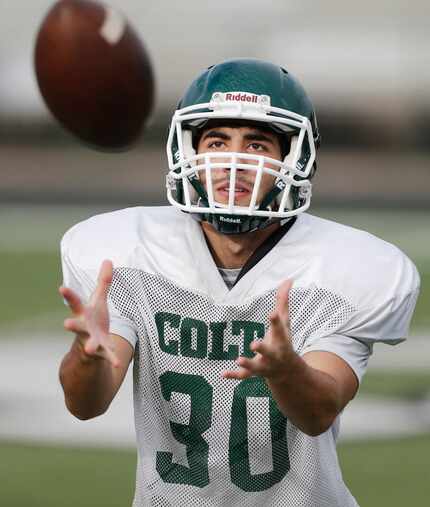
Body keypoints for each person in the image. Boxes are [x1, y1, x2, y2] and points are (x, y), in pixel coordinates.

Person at [59, 58, 420, 507]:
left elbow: (318, 412)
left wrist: (288, 372)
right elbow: (86, 404)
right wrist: (87, 357)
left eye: (256, 145)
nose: (233, 162)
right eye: (216, 141)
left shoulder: (349, 269)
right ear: (188, 152)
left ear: (294, 157)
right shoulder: (127, 255)